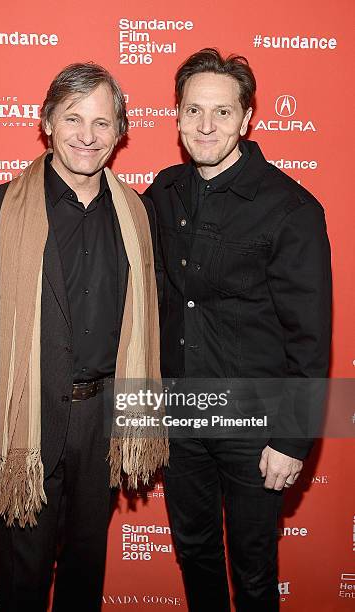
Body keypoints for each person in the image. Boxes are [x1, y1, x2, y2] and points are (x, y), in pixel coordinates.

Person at [0, 62, 167, 612]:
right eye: (72, 118)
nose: (86, 136)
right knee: (20, 581)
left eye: (102, 122)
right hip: (22, 427)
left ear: (120, 132)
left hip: (103, 426)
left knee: (84, 576)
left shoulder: (136, 216)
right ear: (46, 121)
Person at [145, 48, 331, 611]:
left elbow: (310, 336)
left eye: (222, 113)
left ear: (246, 118)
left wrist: (291, 439)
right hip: (180, 418)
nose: (206, 125)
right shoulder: (164, 191)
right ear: (176, 116)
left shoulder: (290, 207)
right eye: (194, 110)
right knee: (195, 552)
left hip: (254, 422)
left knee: (253, 568)